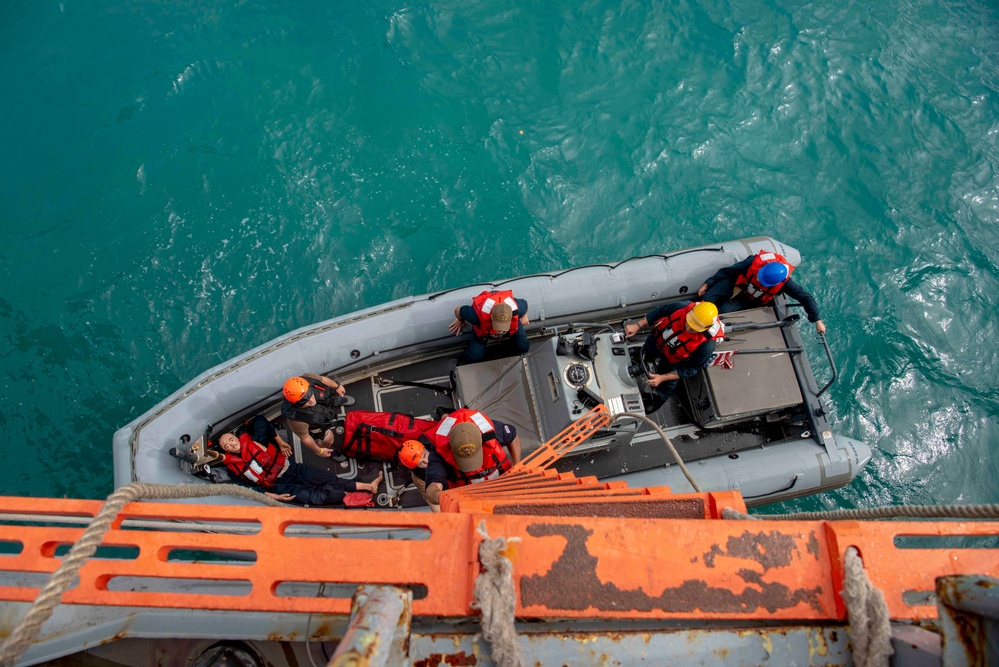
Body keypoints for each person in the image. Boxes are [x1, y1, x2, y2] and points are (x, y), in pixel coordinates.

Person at [217, 415, 383, 506]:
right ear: (225, 451)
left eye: (231, 439)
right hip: (278, 486)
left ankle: (369, 486)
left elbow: (260, 420)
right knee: (315, 496)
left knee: (328, 479)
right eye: (226, 445)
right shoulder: (233, 468)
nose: (230, 444)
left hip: (290, 468)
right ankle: (348, 496)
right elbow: (247, 488)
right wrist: (273, 496)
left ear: (236, 437)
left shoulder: (255, 439)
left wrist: (280, 442)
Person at [624, 301, 725, 414]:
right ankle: (643, 360)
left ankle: (661, 396)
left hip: (674, 360)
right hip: (658, 341)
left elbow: (690, 369)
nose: (688, 328)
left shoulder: (707, 346)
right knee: (648, 350)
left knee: (667, 382)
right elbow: (660, 311)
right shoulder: (681, 307)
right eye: (689, 322)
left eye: (694, 328)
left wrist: (662, 378)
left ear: (706, 328)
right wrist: (637, 325)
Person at [696, 250, 827, 334]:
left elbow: (806, 298)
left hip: (749, 297)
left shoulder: (786, 283)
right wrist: (708, 283)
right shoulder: (754, 262)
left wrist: (817, 320)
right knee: (708, 297)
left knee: (724, 312)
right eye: (759, 275)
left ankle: (706, 326)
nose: (759, 278)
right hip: (738, 283)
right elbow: (729, 270)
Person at [281, 374, 355, 458]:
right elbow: (305, 438)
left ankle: (338, 400)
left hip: (327, 403)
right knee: (329, 439)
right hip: (318, 425)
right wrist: (319, 451)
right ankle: (328, 449)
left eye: (310, 394)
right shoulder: (296, 420)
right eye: (304, 402)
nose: (312, 401)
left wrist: (337, 386)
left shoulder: (309, 377)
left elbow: (323, 380)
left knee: (331, 397)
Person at [448, 290, 530, 364]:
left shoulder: (518, 310)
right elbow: (458, 310)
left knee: (524, 346)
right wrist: (460, 320)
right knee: (475, 356)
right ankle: (463, 360)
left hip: (511, 326)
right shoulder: (475, 315)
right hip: (484, 329)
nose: (500, 331)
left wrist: (524, 315)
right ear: (491, 317)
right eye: (498, 326)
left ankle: (510, 350)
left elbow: (525, 304)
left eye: (503, 326)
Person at [397, 439, 452, 512]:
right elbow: (436, 508)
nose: (427, 461)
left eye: (425, 455)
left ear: (426, 448)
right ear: (417, 467)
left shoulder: (439, 448)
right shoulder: (418, 478)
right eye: (421, 463)